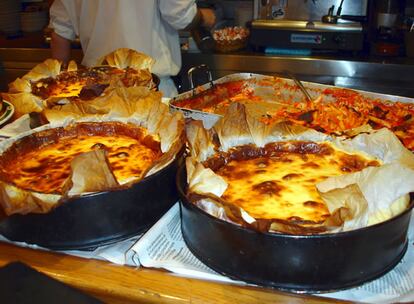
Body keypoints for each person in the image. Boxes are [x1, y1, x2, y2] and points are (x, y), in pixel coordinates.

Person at [49, 0, 216, 97]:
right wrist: (203, 17)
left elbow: (60, 33)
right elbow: (180, 15)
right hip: (149, 89)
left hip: (96, 92)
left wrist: (60, 91)